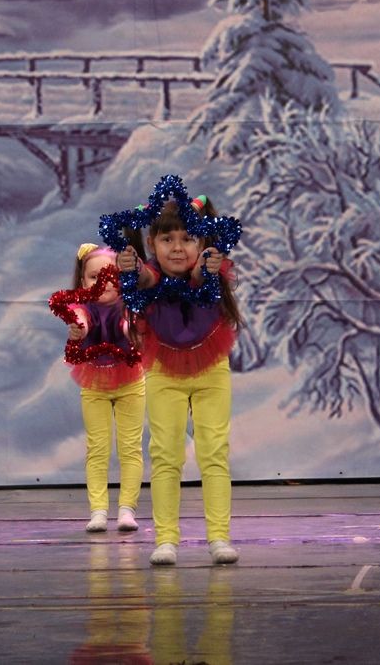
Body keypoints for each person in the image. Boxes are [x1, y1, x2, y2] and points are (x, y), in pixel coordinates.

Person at [117, 196, 240, 566]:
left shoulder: (209, 271)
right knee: (166, 453)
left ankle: (219, 537)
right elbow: (145, 277)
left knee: (213, 451)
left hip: (210, 367)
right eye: (167, 239)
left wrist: (208, 265)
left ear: (201, 243)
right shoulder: (150, 275)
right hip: (164, 370)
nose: (177, 247)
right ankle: (166, 538)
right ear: (152, 243)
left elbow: (201, 277)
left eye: (187, 239)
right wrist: (130, 267)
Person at [64, 243, 145, 534]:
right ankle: (98, 510)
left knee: (130, 448)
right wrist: (79, 329)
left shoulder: (128, 305)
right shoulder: (82, 307)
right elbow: (82, 321)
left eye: (111, 276)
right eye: (94, 277)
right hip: (95, 383)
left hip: (130, 382)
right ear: (82, 280)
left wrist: (131, 330)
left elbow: (128, 325)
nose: (103, 283)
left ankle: (127, 510)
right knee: (97, 448)